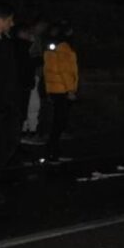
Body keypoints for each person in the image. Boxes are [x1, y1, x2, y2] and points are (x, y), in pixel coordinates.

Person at [0, 3, 20, 204]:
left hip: (6, 105)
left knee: (8, 143)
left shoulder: (5, 42)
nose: (12, 24)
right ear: (0, 20)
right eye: (10, 20)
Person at [42, 20, 78, 163]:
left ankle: (52, 151)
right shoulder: (63, 47)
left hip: (54, 88)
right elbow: (65, 70)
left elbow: (48, 69)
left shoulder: (51, 46)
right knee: (60, 122)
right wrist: (70, 90)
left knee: (58, 120)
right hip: (62, 89)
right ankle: (53, 152)